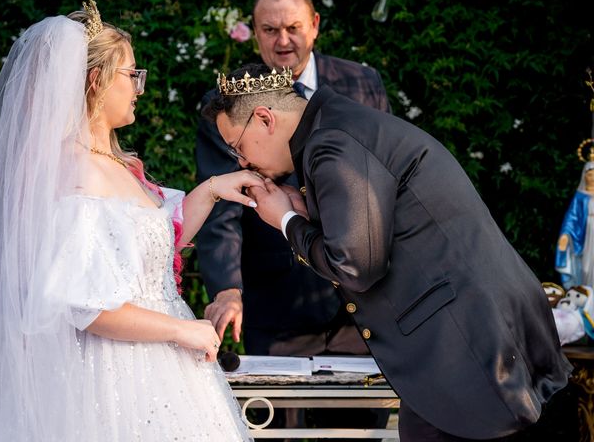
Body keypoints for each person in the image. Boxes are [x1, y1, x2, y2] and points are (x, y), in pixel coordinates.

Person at [204, 63, 572, 441]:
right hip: (473, 339)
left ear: (264, 119)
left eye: (238, 147)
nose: (243, 163)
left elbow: (355, 268)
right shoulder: (340, 123)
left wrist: (284, 221)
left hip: (467, 351)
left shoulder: (332, 143)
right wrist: (303, 215)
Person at [0, 0, 261, 441]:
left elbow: (159, 238)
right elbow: (89, 306)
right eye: (130, 75)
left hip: (159, 366)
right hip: (113, 373)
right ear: (97, 80)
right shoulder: (77, 172)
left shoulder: (114, 162)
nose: (139, 86)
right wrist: (181, 330)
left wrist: (214, 189)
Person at [197, 0, 389, 357]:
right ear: (255, 33)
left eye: (293, 28)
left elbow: (382, 184)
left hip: (363, 306)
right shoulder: (226, 107)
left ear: (314, 25)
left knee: (365, 416)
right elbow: (222, 206)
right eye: (270, 30)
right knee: (278, 416)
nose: (283, 41)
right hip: (277, 305)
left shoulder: (362, 83)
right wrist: (227, 290)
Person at [556, 160, 594, 289]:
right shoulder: (580, 197)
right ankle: (586, 291)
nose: (592, 177)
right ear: (584, 176)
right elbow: (571, 217)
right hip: (585, 236)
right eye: (589, 174)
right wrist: (566, 234)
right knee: (586, 267)